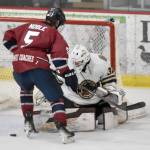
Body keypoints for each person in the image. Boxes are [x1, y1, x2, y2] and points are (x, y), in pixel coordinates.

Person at [2, 7, 78, 144]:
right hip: (38, 68)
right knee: (57, 99)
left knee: (25, 90)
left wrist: (19, 52)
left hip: (18, 66)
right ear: (58, 22)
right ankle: (63, 130)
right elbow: (59, 60)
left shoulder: (28, 25)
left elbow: (7, 38)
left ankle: (28, 123)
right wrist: (67, 73)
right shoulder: (53, 33)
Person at [34, 44, 146, 130]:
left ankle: (96, 113)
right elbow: (50, 79)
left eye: (78, 63)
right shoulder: (65, 62)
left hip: (94, 101)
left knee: (107, 118)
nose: (75, 65)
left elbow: (110, 83)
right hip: (71, 99)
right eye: (74, 62)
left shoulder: (101, 62)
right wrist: (45, 91)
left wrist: (108, 94)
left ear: (86, 60)